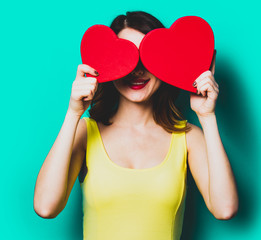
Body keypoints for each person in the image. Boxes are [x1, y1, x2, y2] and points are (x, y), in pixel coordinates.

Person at [34, 11, 238, 240]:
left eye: (148, 57)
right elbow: (45, 207)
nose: (138, 70)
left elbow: (225, 209)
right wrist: (73, 113)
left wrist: (207, 116)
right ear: (108, 63)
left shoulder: (188, 137)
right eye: (127, 55)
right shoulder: (85, 131)